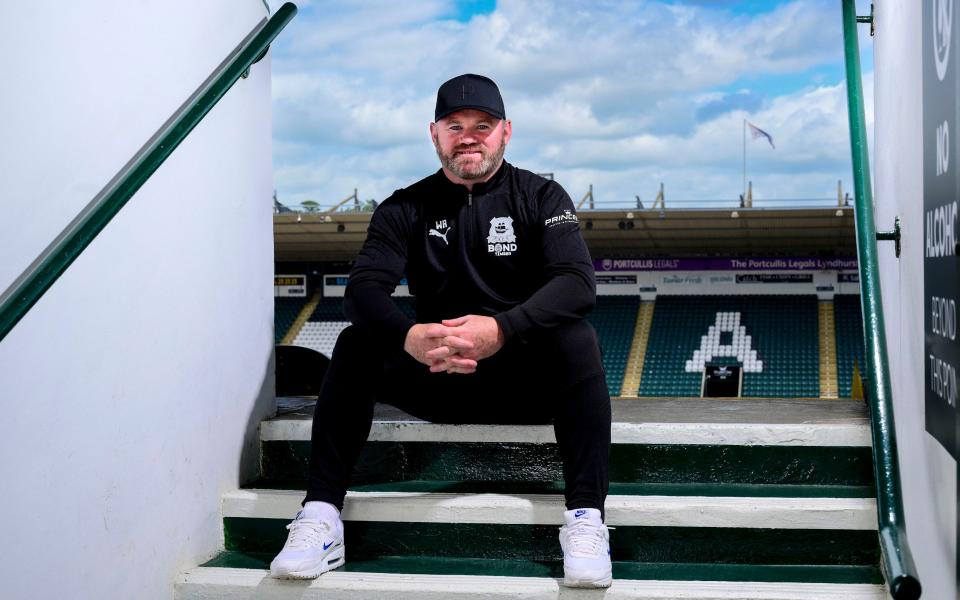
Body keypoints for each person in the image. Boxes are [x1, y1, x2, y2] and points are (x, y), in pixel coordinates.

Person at [269, 73, 613, 588]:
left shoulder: (542, 196)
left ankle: (586, 518)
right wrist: (410, 337)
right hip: (436, 378)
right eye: (455, 126)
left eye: (483, 125)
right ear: (435, 135)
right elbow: (362, 289)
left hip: (524, 383)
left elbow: (577, 283)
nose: (469, 136)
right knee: (355, 342)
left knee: (577, 338)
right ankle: (321, 515)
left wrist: (501, 329)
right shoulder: (405, 206)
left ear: (506, 132)